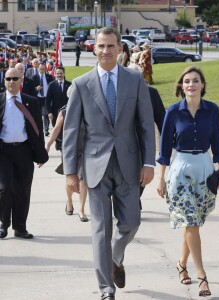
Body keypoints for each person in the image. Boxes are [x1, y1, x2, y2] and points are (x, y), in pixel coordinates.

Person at [62, 27, 155, 300]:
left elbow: (145, 126)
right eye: (101, 46)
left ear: (120, 50)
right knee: (100, 229)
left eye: (111, 46)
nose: (106, 51)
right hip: (95, 167)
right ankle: (106, 288)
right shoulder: (81, 84)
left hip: (129, 164)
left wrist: (148, 163)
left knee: (131, 222)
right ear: (94, 49)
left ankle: (115, 257)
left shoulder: (135, 80)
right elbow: (72, 132)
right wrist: (70, 172)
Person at [156, 66, 219, 297]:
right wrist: (161, 179)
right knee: (191, 222)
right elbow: (165, 148)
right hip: (180, 171)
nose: (191, 85)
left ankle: (181, 264)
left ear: (202, 85)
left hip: (205, 170)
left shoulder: (212, 110)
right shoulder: (173, 112)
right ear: (181, 86)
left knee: (192, 223)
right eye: (186, 81)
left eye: (195, 80)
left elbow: (217, 142)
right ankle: (202, 276)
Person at [0, 68, 48, 239]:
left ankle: (20, 227)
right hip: (3, 151)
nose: (11, 81)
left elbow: (37, 130)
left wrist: (41, 153)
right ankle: (3, 224)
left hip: (24, 150)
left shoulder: (31, 102)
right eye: (8, 78)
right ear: (4, 80)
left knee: (22, 190)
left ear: (21, 80)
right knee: (4, 188)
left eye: (15, 78)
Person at [45, 104, 88, 222]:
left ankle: (81, 209)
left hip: (86, 149)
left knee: (84, 179)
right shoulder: (65, 111)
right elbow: (56, 129)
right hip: (70, 150)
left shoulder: (90, 108)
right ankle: (69, 201)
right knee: (70, 180)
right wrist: (48, 145)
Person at [33, 62, 54, 136]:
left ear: (45, 69)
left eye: (43, 69)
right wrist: (36, 88)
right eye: (40, 69)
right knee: (38, 114)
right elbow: (31, 88)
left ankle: (46, 130)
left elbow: (52, 87)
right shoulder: (34, 77)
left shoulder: (49, 77)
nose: (42, 70)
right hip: (38, 98)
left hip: (46, 98)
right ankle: (38, 128)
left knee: (45, 114)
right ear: (38, 69)